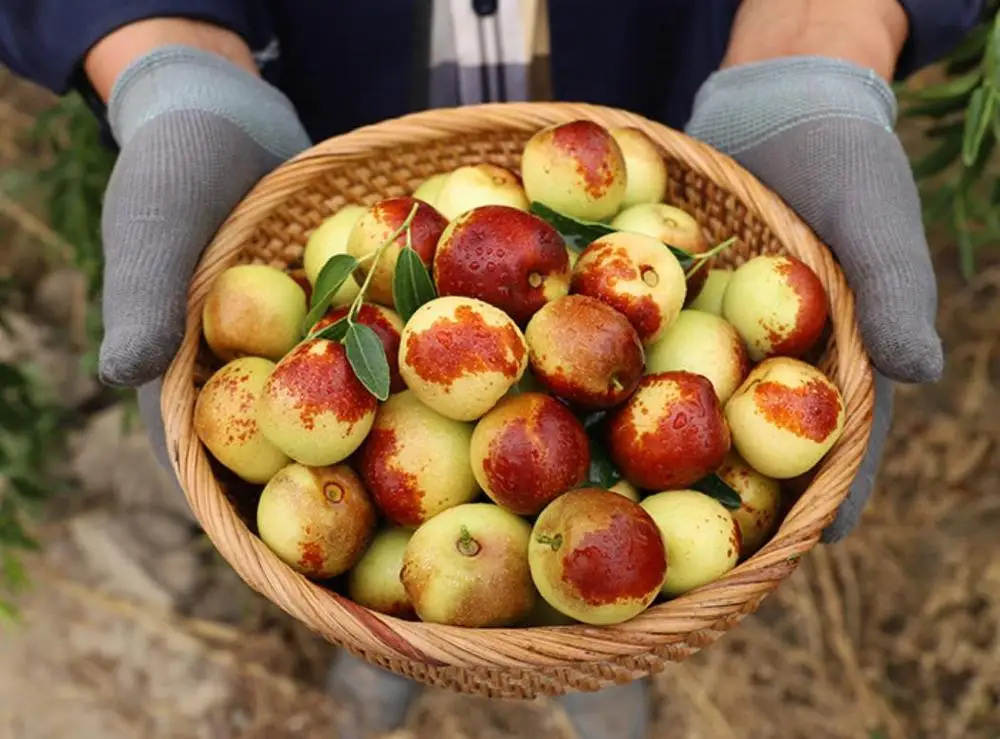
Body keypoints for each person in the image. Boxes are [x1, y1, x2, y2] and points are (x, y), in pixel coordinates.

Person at [0, 1, 980, 737]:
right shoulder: (403, 347)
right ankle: (390, 649)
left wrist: (819, 30)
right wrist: (172, 49)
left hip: (640, 128)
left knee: (590, 545)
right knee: (411, 565)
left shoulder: (577, 319)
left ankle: (598, 659)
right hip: (347, 112)